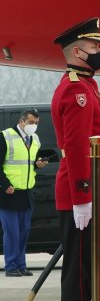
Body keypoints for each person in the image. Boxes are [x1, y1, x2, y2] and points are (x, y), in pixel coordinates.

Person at [51, 18, 100, 301]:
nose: (99, 51)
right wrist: (83, 196)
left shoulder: (86, 86)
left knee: (86, 269)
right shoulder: (76, 90)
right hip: (81, 192)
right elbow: (76, 149)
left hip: (90, 190)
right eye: (93, 47)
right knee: (78, 273)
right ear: (77, 52)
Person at [2, 109, 46, 276]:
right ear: (21, 122)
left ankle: (21, 265)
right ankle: (11, 266)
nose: (33, 126)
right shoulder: (5, 136)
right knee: (12, 232)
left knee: (23, 232)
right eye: (31, 122)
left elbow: (28, 162)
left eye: (36, 123)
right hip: (9, 193)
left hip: (26, 192)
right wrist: (5, 184)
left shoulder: (34, 139)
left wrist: (37, 164)